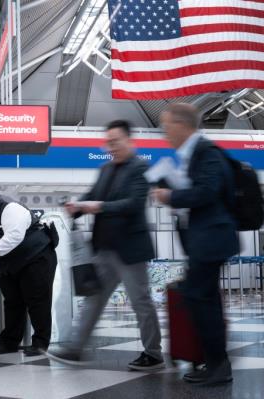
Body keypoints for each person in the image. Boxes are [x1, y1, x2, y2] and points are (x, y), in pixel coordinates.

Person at [46, 120, 164, 371]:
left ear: (129, 141)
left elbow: (133, 204)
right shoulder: (106, 169)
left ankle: (153, 353)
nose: (110, 146)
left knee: (140, 301)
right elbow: (92, 195)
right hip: (103, 248)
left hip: (130, 249)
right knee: (93, 300)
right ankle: (75, 349)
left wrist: (98, 206)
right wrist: (77, 207)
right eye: (107, 142)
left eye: (115, 141)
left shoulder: (140, 168)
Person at [152, 103, 238, 385]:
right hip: (205, 240)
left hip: (212, 240)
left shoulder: (206, 152)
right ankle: (213, 362)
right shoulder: (193, 155)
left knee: (199, 298)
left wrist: (171, 196)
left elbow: (207, 191)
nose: (165, 134)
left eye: (167, 127)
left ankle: (217, 365)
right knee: (203, 299)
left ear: (181, 125)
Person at [0, 185, 58, 356]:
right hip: (12, 264)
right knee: (12, 302)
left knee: (37, 301)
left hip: (36, 257)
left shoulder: (10, 208)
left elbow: (13, 237)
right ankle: (9, 342)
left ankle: (40, 343)